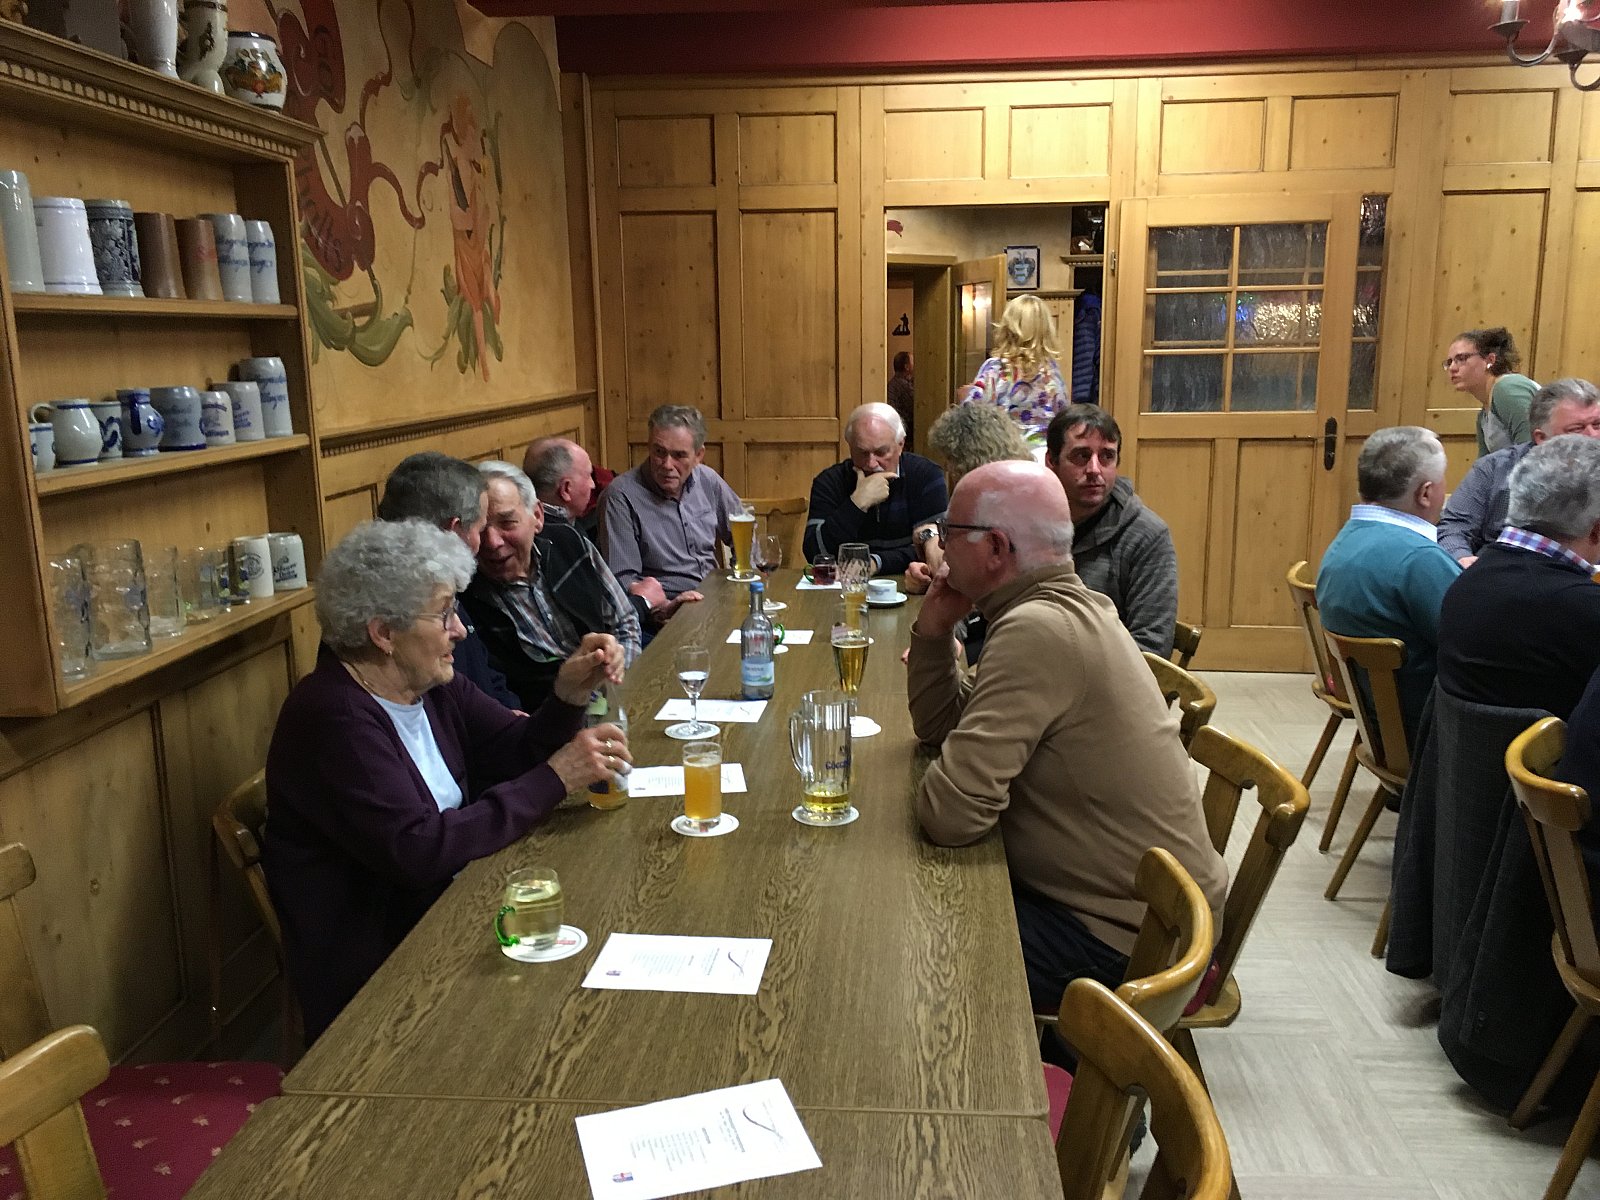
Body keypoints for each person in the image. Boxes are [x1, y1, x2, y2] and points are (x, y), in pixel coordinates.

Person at [263, 519, 630, 1042]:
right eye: (443, 614)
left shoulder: (429, 685)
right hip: (386, 977)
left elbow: (515, 750)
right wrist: (555, 776)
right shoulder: (333, 716)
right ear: (384, 633)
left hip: (458, 912)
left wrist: (567, 694)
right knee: (577, 1019)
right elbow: (419, 850)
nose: (459, 629)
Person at [906, 461, 1227, 1054]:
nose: (941, 545)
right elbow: (939, 729)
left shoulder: (1038, 631)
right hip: (1140, 912)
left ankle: (1029, 1091)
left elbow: (949, 818)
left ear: (995, 548)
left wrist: (954, 771)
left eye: (951, 531)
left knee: (915, 940)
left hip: (1132, 942)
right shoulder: (1063, 607)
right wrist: (934, 629)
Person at [1437, 434, 1600, 720]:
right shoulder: (1582, 608)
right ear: (1596, 530)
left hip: (1465, 748)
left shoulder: (1465, 580)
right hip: (1547, 750)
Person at [462, 460, 643, 712]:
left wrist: (616, 670)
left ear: (537, 516)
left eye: (507, 523)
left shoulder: (569, 543)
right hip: (551, 719)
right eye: (481, 529)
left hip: (617, 696)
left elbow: (625, 620)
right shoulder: (466, 599)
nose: (493, 542)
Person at [1316, 427, 1460, 741]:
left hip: (1380, 725)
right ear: (1425, 493)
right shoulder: (1419, 559)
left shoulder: (1344, 541)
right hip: (1428, 736)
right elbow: (1477, 648)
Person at [375, 451, 518, 709]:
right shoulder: (406, 610)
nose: (485, 544)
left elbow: (486, 675)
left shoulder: (444, 587)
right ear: (453, 531)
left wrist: (510, 716)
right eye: (481, 530)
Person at [1044, 404, 1178, 657]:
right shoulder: (1031, 519)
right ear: (1052, 461)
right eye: (1081, 455)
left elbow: (1153, 647)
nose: (1094, 470)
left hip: (1106, 675)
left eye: (1106, 456)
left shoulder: (1148, 535)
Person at [1438, 378, 1600, 567]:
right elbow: (1454, 527)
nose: (1593, 435)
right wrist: (1462, 558)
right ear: (1541, 438)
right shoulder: (1495, 469)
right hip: (1504, 572)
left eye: (1598, 424)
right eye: (1577, 429)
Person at [599, 403, 735, 613]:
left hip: (715, 599)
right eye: (659, 452)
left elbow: (745, 532)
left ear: (698, 455)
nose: (667, 465)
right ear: (649, 446)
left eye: (679, 455)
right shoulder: (620, 497)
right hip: (667, 612)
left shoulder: (707, 480)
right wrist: (663, 608)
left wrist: (744, 581)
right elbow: (623, 580)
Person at [804, 401, 947, 577]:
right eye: (862, 453)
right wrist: (857, 503)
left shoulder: (926, 475)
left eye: (881, 452)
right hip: (846, 586)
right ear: (850, 446)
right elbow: (815, 555)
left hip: (907, 582)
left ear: (900, 445)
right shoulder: (829, 481)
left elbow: (936, 549)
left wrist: (875, 562)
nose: (871, 464)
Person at [904, 403, 1033, 595]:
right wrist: (929, 544)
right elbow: (934, 531)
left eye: (950, 460)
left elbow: (973, 573)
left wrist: (942, 568)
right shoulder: (984, 495)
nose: (948, 469)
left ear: (966, 459)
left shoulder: (1011, 502)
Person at [960, 294, 1069, 442]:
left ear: (1008, 328)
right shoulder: (1051, 372)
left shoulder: (995, 368)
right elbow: (1064, 419)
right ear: (1046, 331)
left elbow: (970, 415)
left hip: (1004, 450)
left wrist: (964, 396)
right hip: (1043, 451)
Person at [1444, 326, 1539, 456]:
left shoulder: (1507, 388)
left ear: (1490, 360)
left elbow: (1531, 452)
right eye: (1449, 362)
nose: (1452, 368)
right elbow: (1484, 466)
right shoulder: (1483, 416)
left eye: (1461, 359)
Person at [524, 436, 598, 542]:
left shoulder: (527, 523)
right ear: (566, 489)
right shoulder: (564, 541)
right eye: (588, 476)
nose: (593, 485)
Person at [887, 350, 915, 441]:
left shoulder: (894, 382)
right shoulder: (903, 386)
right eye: (913, 361)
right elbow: (916, 408)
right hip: (903, 431)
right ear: (907, 367)